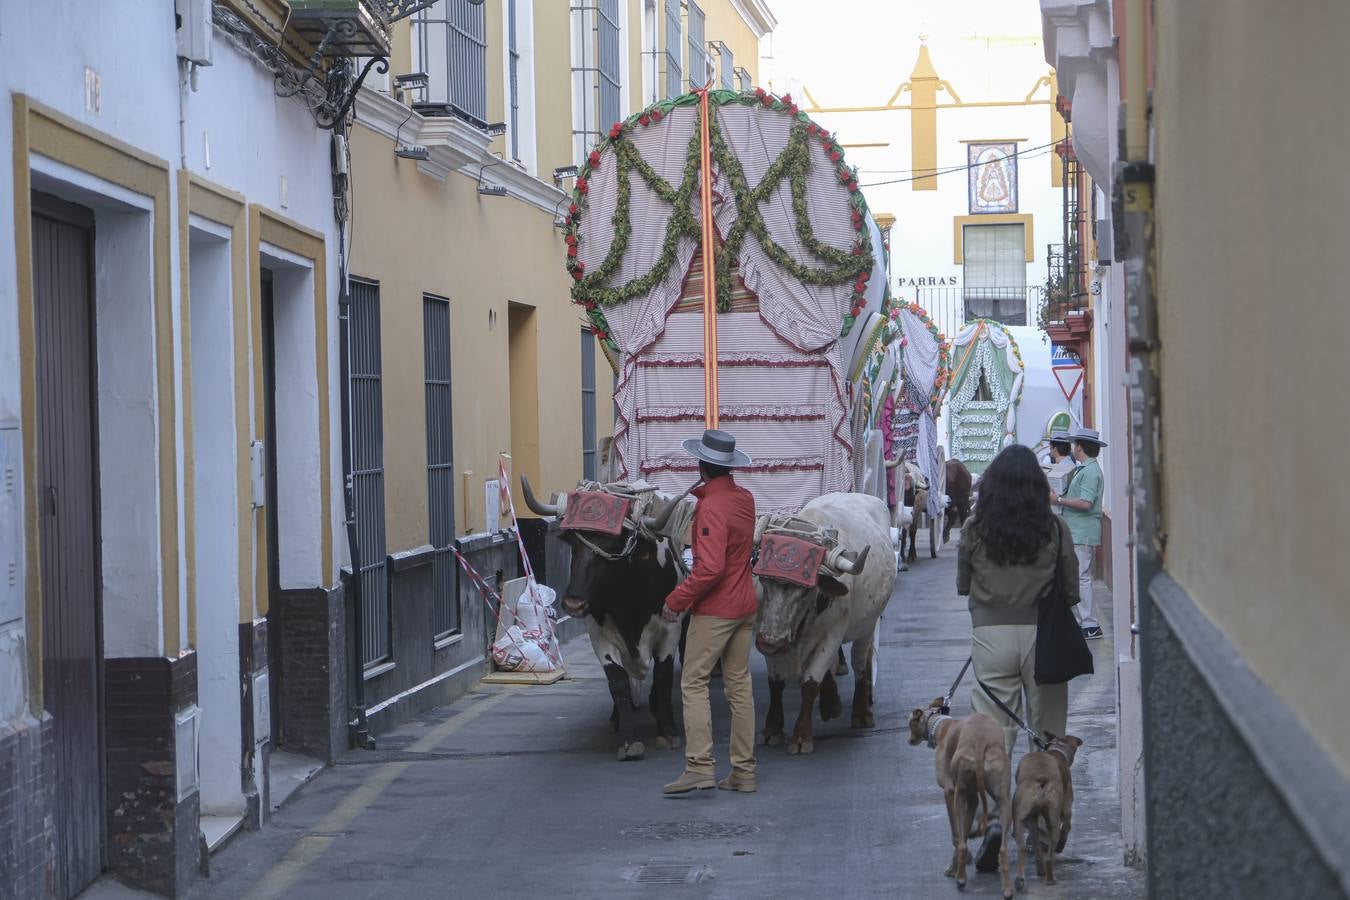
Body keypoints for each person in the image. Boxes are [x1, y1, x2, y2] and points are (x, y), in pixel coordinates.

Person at [957, 443, 1081, 872]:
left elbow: (962, 584)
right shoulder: (1055, 528)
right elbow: (1071, 590)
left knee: (994, 739)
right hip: (1044, 636)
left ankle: (995, 821)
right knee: (1046, 739)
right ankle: (1043, 835)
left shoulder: (975, 528)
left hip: (990, 635)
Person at [660, 429, 759, 796]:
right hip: (746, 604)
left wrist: (676, 600)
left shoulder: (711, 506)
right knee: (739, 687)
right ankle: (743, 772)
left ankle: (699, 766)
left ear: (702, 466)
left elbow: (710, 568)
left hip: (716, 610)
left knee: (693, 682)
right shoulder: (744, 499)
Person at [1051, 427, 1107, 640]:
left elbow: (1085, 503)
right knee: (1077, 576)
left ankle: (1090, 624)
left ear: (1080, 447)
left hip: (1081, 533)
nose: (1073, 448)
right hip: (1077, 532)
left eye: (1075, 445)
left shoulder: (1090, 472)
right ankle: (1084, 622)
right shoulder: (1086, 469)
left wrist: (1058, 500)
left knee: (1081, 577)